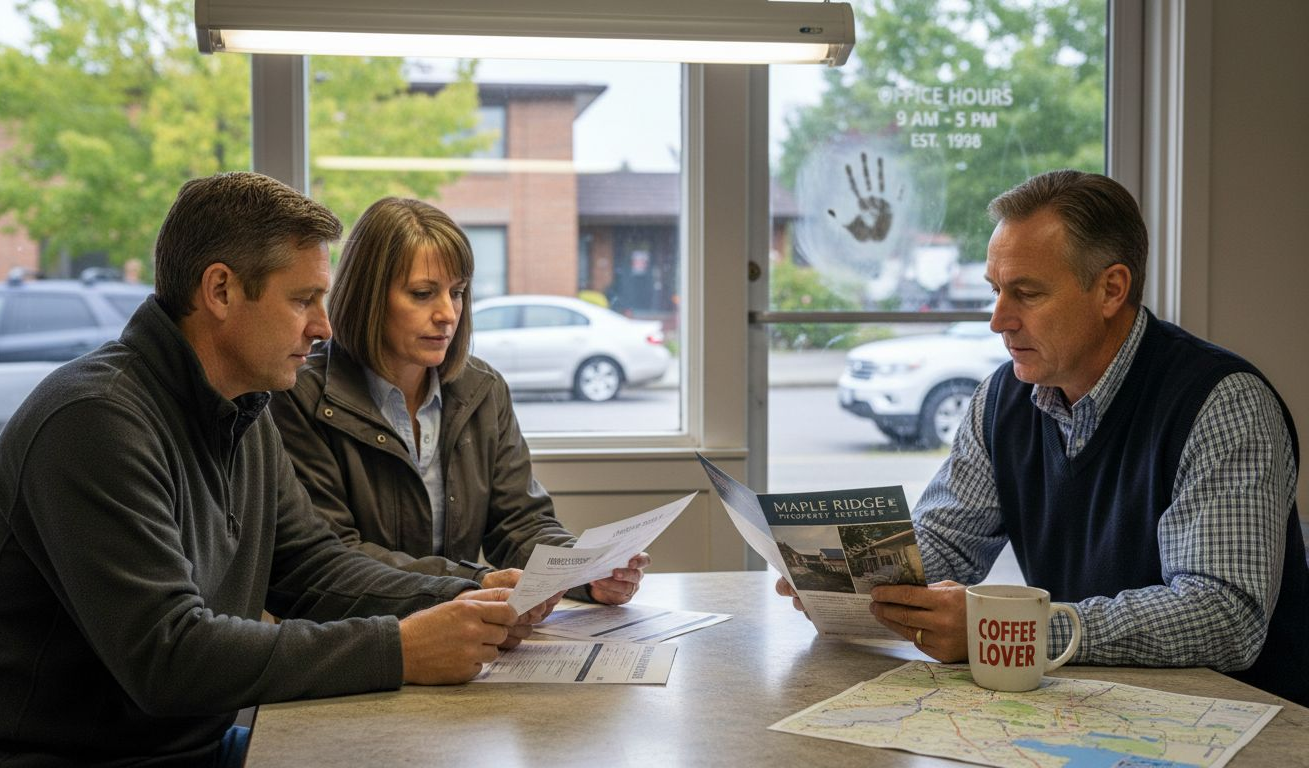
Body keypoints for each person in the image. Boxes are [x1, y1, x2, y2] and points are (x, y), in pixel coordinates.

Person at [0, 173, 544, 766]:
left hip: (193, 748)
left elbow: (311, 566)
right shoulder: (95, 420)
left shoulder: (244, 409)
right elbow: (169, 657)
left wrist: (465, 596)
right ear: (220, 290)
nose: (323, 326)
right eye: (302, 300)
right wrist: (399, 648)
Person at [777, 169, 1308, 705]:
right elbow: (945, 545)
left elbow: (1224, 617)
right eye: (995, 290)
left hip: (1238, 725)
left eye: (1026, 294)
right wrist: (847, 579)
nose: (998, 320)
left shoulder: (1223, 404)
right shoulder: (1002, 398)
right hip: (1083, 708)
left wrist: (1012, 632)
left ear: (1111, 289)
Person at [268, 197, 648, 608]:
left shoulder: (482, 389)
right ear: (367, 296)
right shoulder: (299, 395)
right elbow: (331, 555)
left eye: (458, 292)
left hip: (456, 629)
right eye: (422, 293)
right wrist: (473, 582)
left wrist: (583, 571)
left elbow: (518, 523)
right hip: (357, 639)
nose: (448, 313)